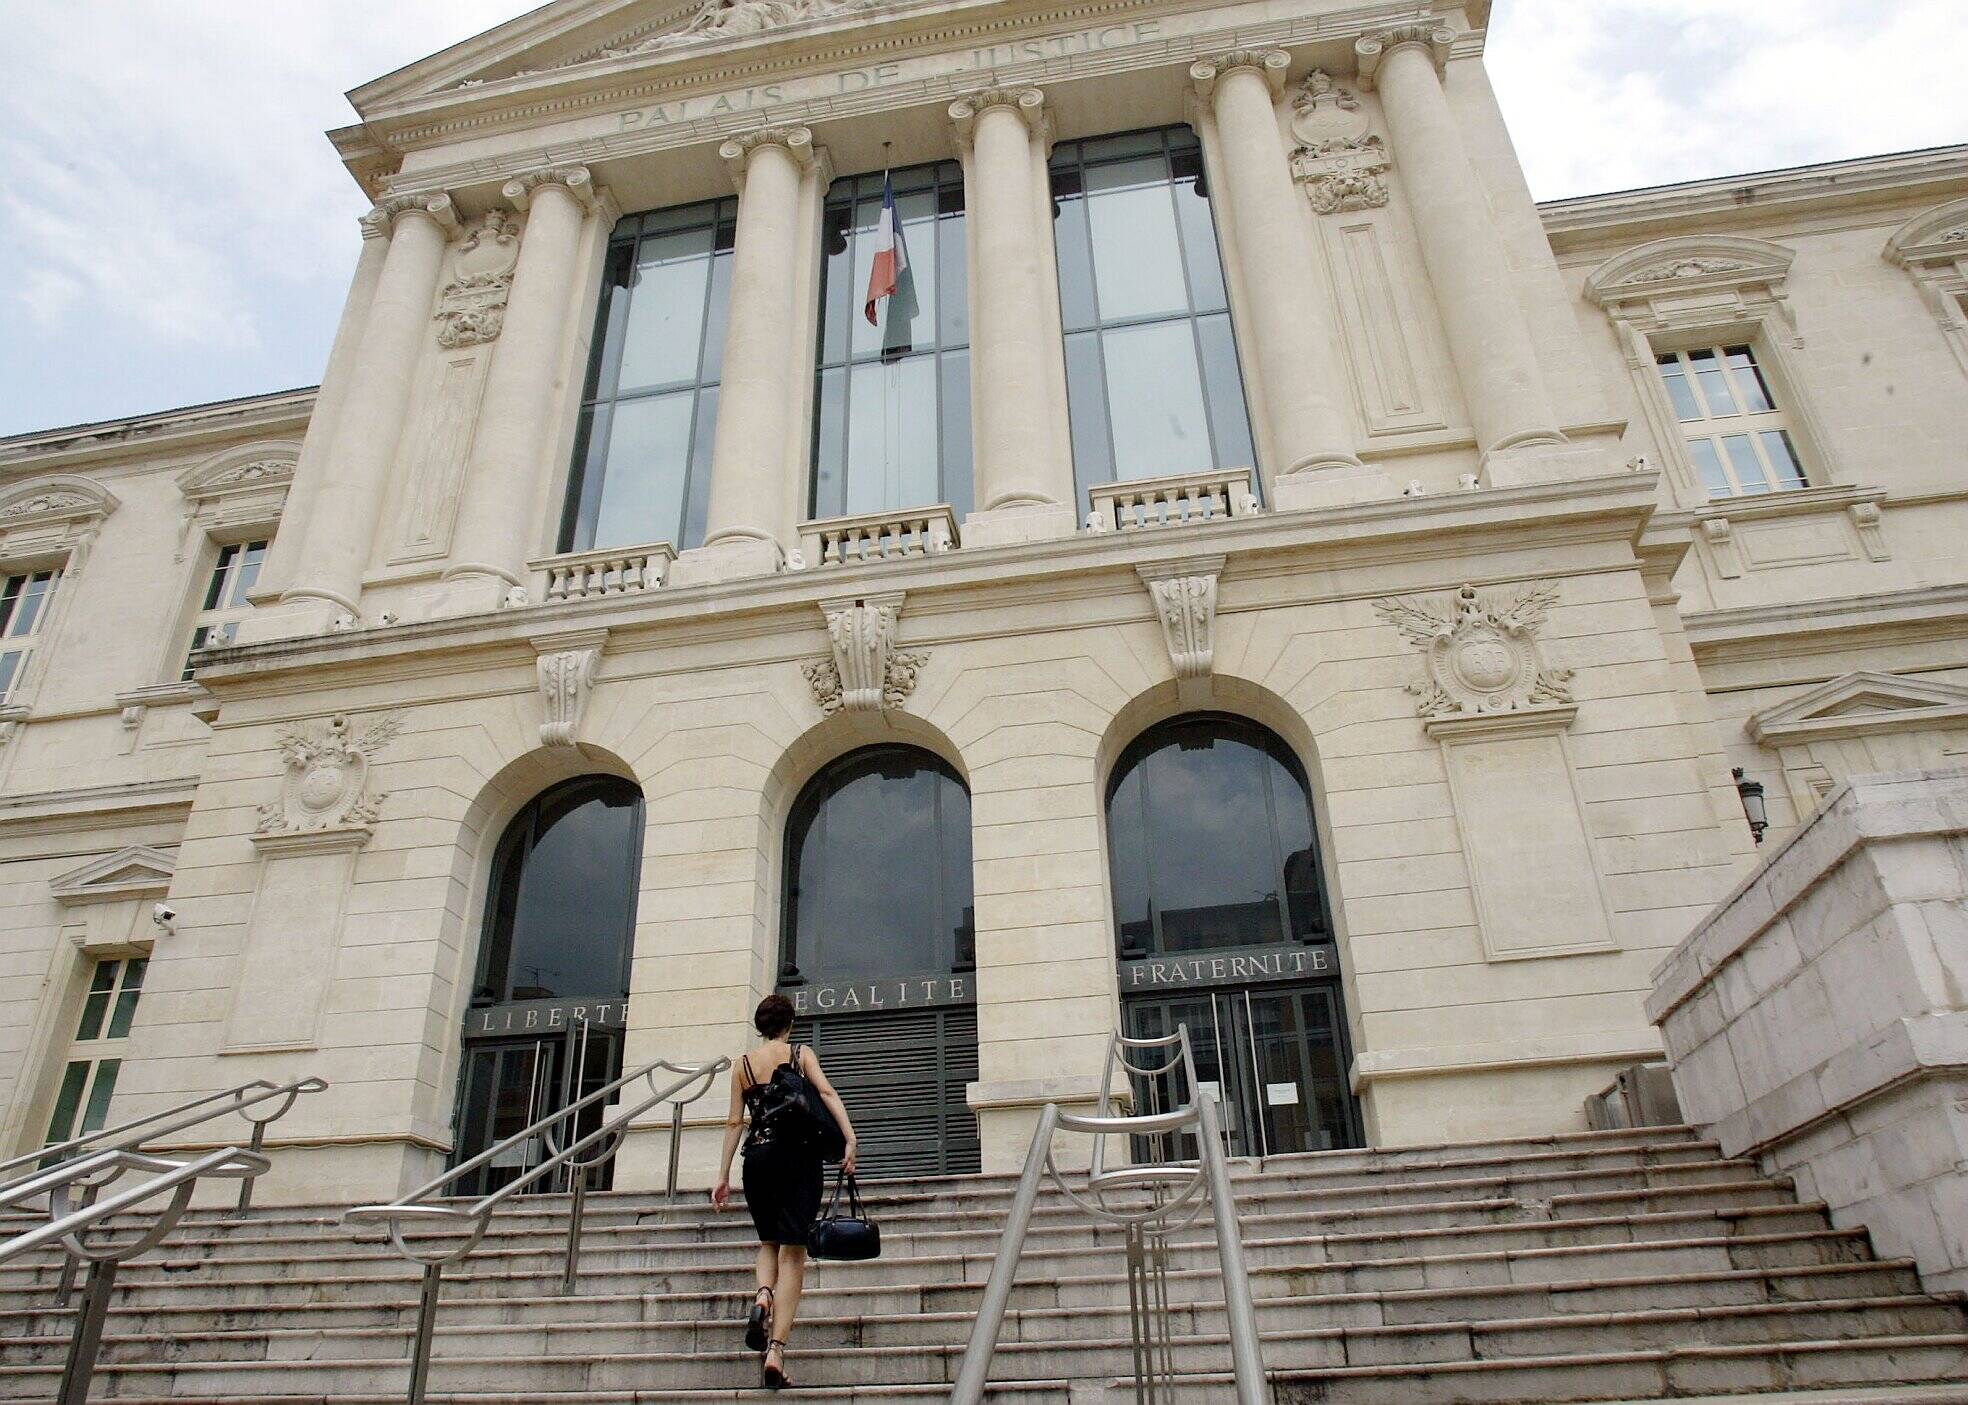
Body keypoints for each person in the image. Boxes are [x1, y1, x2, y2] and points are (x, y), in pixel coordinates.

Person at [712, 994, 857, 1391]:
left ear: (760, 1025)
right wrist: (849, 1138)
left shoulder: (741, 1066)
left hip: (756, 1159)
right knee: (794, 1253)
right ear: (790, 1022)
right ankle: (775, 1350)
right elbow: (826, 1094)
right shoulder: (799, 1054)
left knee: (767, 1242)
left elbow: (732, 1123)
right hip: (797, 1158)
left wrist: (722, 1176)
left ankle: (762, 1295)